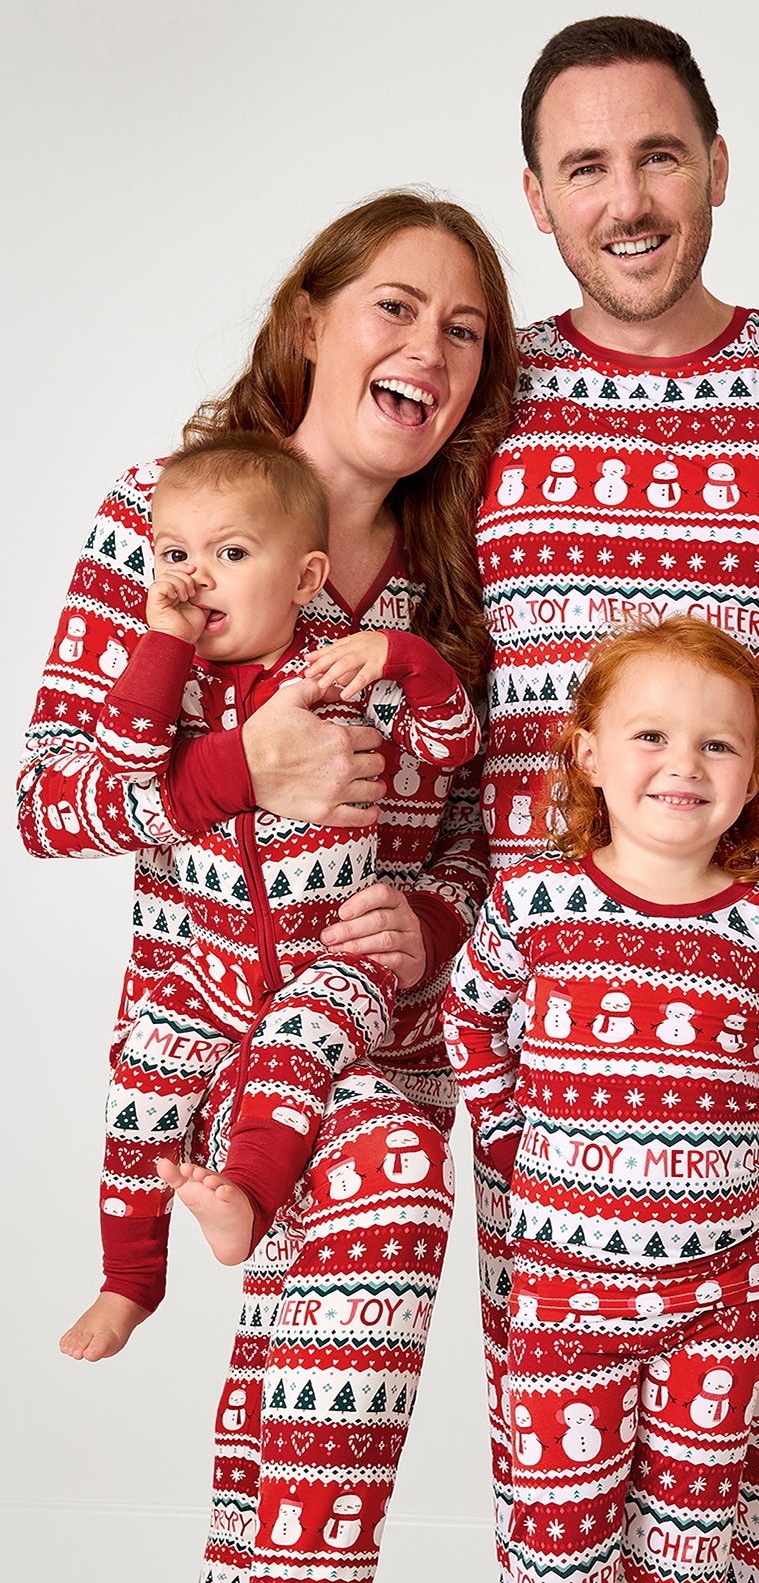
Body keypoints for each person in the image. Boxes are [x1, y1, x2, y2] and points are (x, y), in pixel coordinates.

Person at [474, 14, 759, 1583]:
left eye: (659, 153)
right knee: (572, 1508)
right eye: (584, 166)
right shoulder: (479, 405)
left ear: (719, 166)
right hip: (565, 1050)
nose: (629, 198)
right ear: (535, 198)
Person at [19, 191, 517, 1580]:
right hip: (199, 1024)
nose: (432, 347)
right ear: (312, 322)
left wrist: (430, 921)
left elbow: (490, 832)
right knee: (299, 1404)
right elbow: (50, 804)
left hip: (366, 1033)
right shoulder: (164, 520)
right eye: (398, 307)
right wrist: (246, 763)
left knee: (332, 1370)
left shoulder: (460, 572)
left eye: (466, 330)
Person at [61, 433, 481, 1354]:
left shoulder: (336, 669)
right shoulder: (172, 686)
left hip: (335, 960)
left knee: (300, 1052)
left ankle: (244, 1200)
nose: (193, 578)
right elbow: (124, 765)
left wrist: (405, 656)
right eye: (173, 555)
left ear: (303, 579)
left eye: (230, 555)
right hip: (208, 967)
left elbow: (453, 744)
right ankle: (129, 1280)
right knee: (139, 1084)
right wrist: (164, 646)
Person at [444, 617, 759, 1583]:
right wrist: (511, 1129)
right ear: (589, 756)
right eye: (651, 735)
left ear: (748, 779)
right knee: (559, 1537)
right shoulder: (535, 902)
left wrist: (720, 1162)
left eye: (718, 743)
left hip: (721, 1294)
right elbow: (471, 1013)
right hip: (568, 1287)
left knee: (689, 1543)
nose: (682, 763)